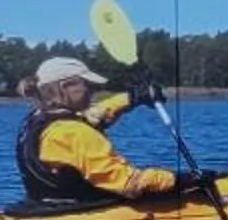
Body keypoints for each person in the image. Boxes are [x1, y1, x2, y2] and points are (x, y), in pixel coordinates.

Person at [14, 57, 186, 207]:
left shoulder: (37, 120)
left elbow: (95, 116)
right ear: (65, 87)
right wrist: (179, 180)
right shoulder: (74, 132)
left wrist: (133, 97)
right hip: (80, 209)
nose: (92, 91)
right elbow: (130, 183)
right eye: (87, 85)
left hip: (43, 205)